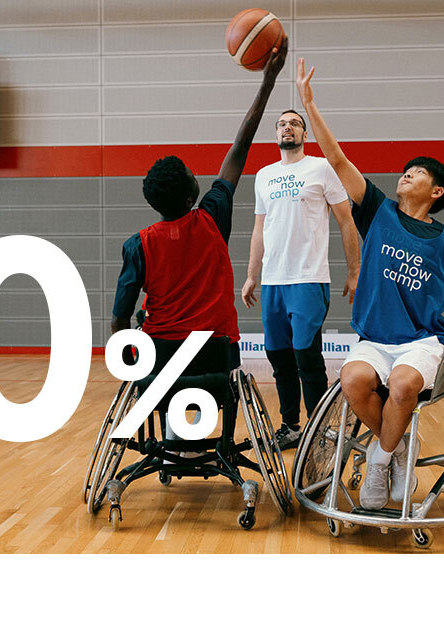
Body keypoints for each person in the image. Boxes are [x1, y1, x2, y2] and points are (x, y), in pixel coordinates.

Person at [295, 58, 444, 510]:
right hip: (374, 338)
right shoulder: (377, 211)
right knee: (354, 382)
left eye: (418, 173)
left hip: (422, 341)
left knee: (400, 387)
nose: (406, 173)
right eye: (406, 170)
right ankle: (398, 448)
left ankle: (380, 459)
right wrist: (310, 104)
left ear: (436, 192)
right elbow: (337, 159)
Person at [109, 39, 288, 436]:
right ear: (193, 195)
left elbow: (121, 315)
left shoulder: (138, 244)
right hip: (216, 354)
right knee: (211, 371)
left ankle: (173, 428)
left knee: (155, 356)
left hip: (162, 356)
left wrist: (127, 355)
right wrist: (268, 81)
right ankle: (193, 428)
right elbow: (240, 147)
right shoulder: (211, 219)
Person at [241, 109, 359, 450]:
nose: (286, 127)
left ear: (303, 134)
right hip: (273, 282)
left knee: (307, 355)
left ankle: (320, 430)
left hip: (309, 279)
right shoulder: (263, 175)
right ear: (275, 133)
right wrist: (252, 275)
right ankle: (291, 426)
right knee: (279, 358)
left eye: (294, 123)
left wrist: (354, 272)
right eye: (281, 124)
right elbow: (259, 229)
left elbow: (346, 221)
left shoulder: (320, 168)